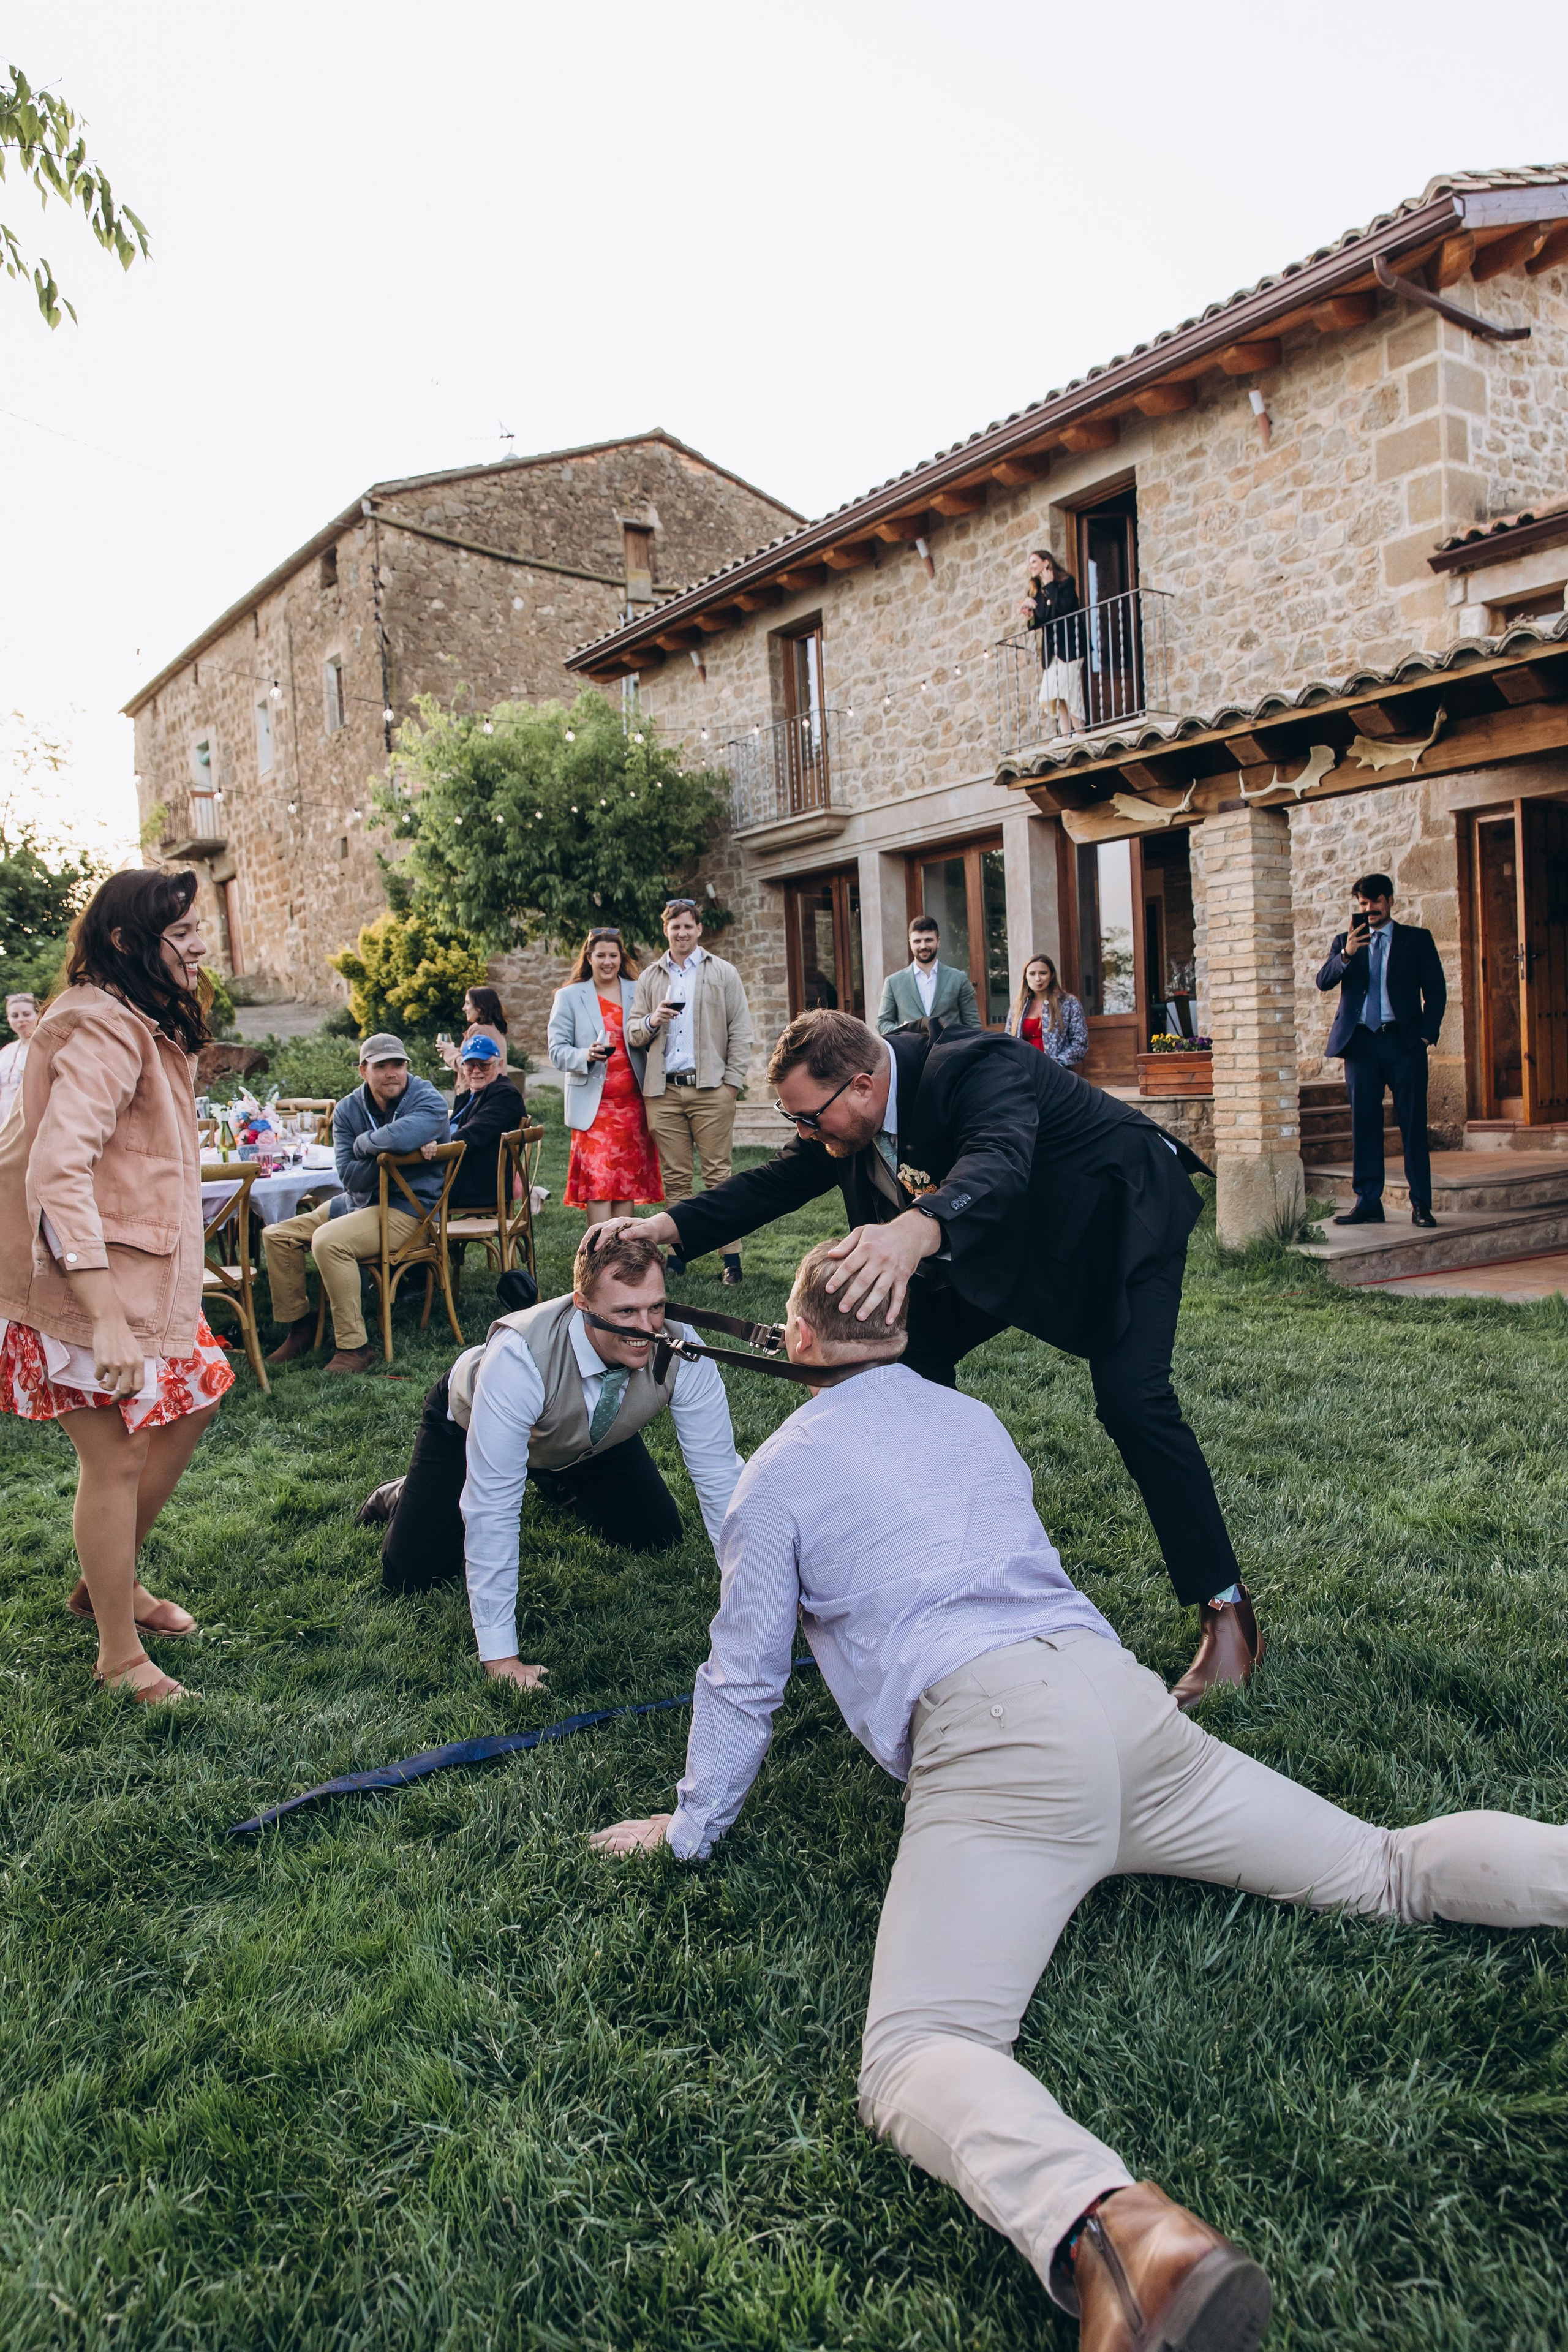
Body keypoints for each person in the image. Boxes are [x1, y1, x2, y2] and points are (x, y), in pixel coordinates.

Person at [592, 1242, 1568, 2352]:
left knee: (921, 2049)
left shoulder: (774, 1481)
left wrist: (689, 1828)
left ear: (799, 1338)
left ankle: (1130, 2244)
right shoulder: (974, 1422)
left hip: (998, 1743)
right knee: (1388, 1867)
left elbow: (744, 1677)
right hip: (1128, 1708)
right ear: (901, 1330)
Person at [590, 1008, 1257, 1706]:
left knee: (1133, 1402)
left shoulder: (976, 1065)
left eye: (809, 1118)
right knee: (898, 1366)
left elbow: (999, 1159)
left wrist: (918, 1227)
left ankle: (1226, 1609)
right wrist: (666, 1225)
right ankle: (922, 1565)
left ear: (861, 1086)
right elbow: (776, 1181)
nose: (803, 1134)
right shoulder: (841, 1126)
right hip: (996, 1239)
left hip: (1116, 1219)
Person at [0, 869, 234, 1703]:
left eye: (200, 927)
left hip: (140, 1276)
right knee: (118, 1453)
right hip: (79, 1279)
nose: (200, 945)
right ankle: (118, 1654)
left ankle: (109, 1580)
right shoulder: (100, 1025)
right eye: (181, 934)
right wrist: (101, 1316)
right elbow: (59, 1175)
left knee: (199, 1395)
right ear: (129, 945)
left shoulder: (135, 1015)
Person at [366, 1226, 744, 1686]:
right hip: (468, 1427)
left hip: (589, 1437)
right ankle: (404, 1493)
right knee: (414, 1573)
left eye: (656, 1307)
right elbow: (493, 1508)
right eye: (626, 1311)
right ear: (582, 1304)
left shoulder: (682, 1348)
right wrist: (501, 1658)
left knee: (655, 1533)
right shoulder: (520, 1356)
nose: (647, 1328)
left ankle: (551, 1475)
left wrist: (756, 1596)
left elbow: (720, 1475)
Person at [262, 1033, 449, 1373]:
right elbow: (349, 1177)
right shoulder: (349, 1108)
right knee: (277, 1235)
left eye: (399, 1065)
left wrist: (367, 1145)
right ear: (364, 1071)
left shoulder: (427, 1098)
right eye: (382, 1066)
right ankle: (301, 1325)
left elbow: (406, 1133)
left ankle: (355, 1348)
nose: (392, 1073)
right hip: (357, 1202)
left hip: (411, 1212)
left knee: (329, 1241)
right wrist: (395, 1153)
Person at [627, 895, 753, 1286]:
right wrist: (653, 1019)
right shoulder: (650, 977)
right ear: (666, 931)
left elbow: (741, 1032)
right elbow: (633, 1032)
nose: (682, 933)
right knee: (677, 1178)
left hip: (712, 1089)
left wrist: (731, 1084)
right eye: (674, 926)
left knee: (719, 1177)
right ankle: (677, 1257)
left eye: (688, 926)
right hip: (663, 1092)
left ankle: (731, 1259)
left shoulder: (724, 972)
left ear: (699, 929)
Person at [1316, 873, 1446, 1231]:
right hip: (1361, 1045)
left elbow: (1437, 991)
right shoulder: (1346, 941)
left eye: (1374, 902)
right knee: (1365, 1127)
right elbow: (1323, 981)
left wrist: (1425, 1036)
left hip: (1403, 1044)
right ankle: (1369, 1202)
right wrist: (1346, 955)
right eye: (1362, 904)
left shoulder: (1416, 940)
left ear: (1389, 901)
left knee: (1413, 1126)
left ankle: (1421, 1204)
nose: (1368, 910)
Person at [550, 927, 664, 1227]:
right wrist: (584, 1055)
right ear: (589, 958)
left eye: (613, 955)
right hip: (594, 1107)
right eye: (600, 955)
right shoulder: (569, 996)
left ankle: (623, 1254)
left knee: (626, 1183)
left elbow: (650, 1034)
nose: (607, 961)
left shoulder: (637, 990)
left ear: (620, 957)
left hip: (632, 1105)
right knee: (599, 1186)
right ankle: (599, 1257)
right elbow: (556, 1050)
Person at [1016, 549, 1085, 737]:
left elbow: (1064, 608)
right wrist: (1030, 615)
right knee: (1055, 693)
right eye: (1029, 563)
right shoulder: (1038, 591)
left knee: (1069, 690)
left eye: (1034, 561)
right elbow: (1039, 622)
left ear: (1047, 563)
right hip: (1052, 651)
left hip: (1071, 647)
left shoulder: (1066, 583)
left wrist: (1050, 585)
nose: (1030, 566)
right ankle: (1065, 736)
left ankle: (1080, 733)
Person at [875, 915, 981, 1035]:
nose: (923, 946)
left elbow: (973, 1026)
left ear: (938, 941)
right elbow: (882, 1023)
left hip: (951, 1051)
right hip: (910, 1051)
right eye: (917, 941)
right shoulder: (893, 982)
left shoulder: (959, 979)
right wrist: (904, 1031)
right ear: (910, 943)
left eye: (928, 940)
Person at [1006, 953, 1088, 1069]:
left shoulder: (1069, 1003)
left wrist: (1058, 1064)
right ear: (1026, 976)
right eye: (1032, 974)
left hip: (1057, 1072)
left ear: (1052, 975)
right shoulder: (1018, 1006)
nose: (1038, 979)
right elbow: (1008, 1041)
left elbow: (1080, 1042)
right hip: (1025, 1071)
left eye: (1043, 973)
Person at [438, 984, 510, 1099]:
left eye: (468, 1003)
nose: (464, 1008)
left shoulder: (478, 1029)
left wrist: (449, 1052)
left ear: (480, 1007)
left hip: (478, 1096)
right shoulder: (495, 1028)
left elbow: (471, 1066)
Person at [0, 991, 40, 1128]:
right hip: (4, 1116)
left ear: (38, 1014)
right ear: (8, 1020)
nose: (21, 1019)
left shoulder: (43, 1047)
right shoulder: (6, 1051)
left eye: (27, 1014)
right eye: (15, 1016)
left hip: (29, 1114)